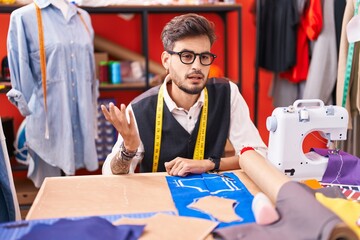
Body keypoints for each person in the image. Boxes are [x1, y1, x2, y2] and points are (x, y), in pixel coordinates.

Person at [101, 13, 267, 176]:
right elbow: (110, 174)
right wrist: (128, 150)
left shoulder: (227, 94)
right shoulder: (140, 109)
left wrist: (208, 163)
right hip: (159, 200)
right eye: (186, 56)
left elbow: (259, 156)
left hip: (211, 199)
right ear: (166, 60)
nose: (197, 66)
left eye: (204, 56)